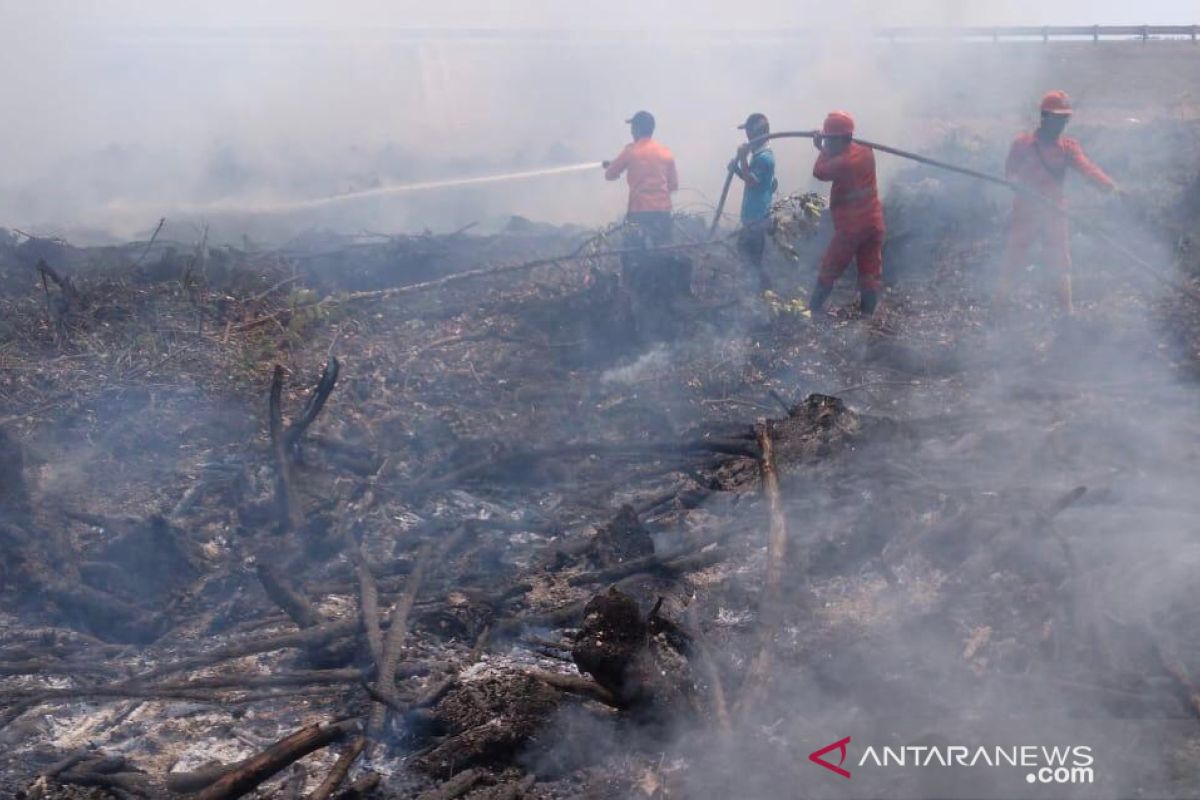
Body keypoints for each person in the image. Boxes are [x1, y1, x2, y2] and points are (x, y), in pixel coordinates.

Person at [997, 90, 1117, 314]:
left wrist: (1108, 186)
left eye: (1064, 119)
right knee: (1015, 256)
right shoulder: (1022, 144)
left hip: (1054, 210)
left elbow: (1087, 169)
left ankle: (1067, 312)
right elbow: (1010, 172)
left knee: (1060, 259)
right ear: (1044, 117)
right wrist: (1015, 183)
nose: (1060, 123)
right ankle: (998, 307)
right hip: (1025, 209)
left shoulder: (1068, 148)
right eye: (1056, 118)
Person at [809, 110, 885, 316]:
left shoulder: (844, 163)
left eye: (830, 140)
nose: (828, 144)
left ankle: (812, 310)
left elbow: (819, 172)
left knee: (829, 268)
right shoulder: (867, 150)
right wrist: (828, 146)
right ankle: (867, 316)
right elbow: (841, 153)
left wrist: (821, 149)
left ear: (839, 139)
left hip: (852, 228)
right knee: (870, 270)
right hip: (874, 223)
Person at [603, 110, 679, 248]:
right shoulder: (665, 152)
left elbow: (609, 175)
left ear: (637, 130)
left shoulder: (630, 151)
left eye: (632, 128)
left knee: (631, 252)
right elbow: (673, 186)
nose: (631, 132)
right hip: (663, 213)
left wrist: (618, 165)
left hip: (638, 213)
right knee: (664, 251)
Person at [729, 112, 778, 291]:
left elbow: (752, 181)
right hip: (755, 217)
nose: (746, 136)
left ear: (754, 134)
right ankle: (760, 292)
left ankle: (762, 293)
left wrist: (741, 157)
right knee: (749, 257)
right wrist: (737, 170)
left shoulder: (764, 157)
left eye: (748, 132)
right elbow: (757, 182)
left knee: (749, 258)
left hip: (756, 219)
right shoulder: (760, 155)